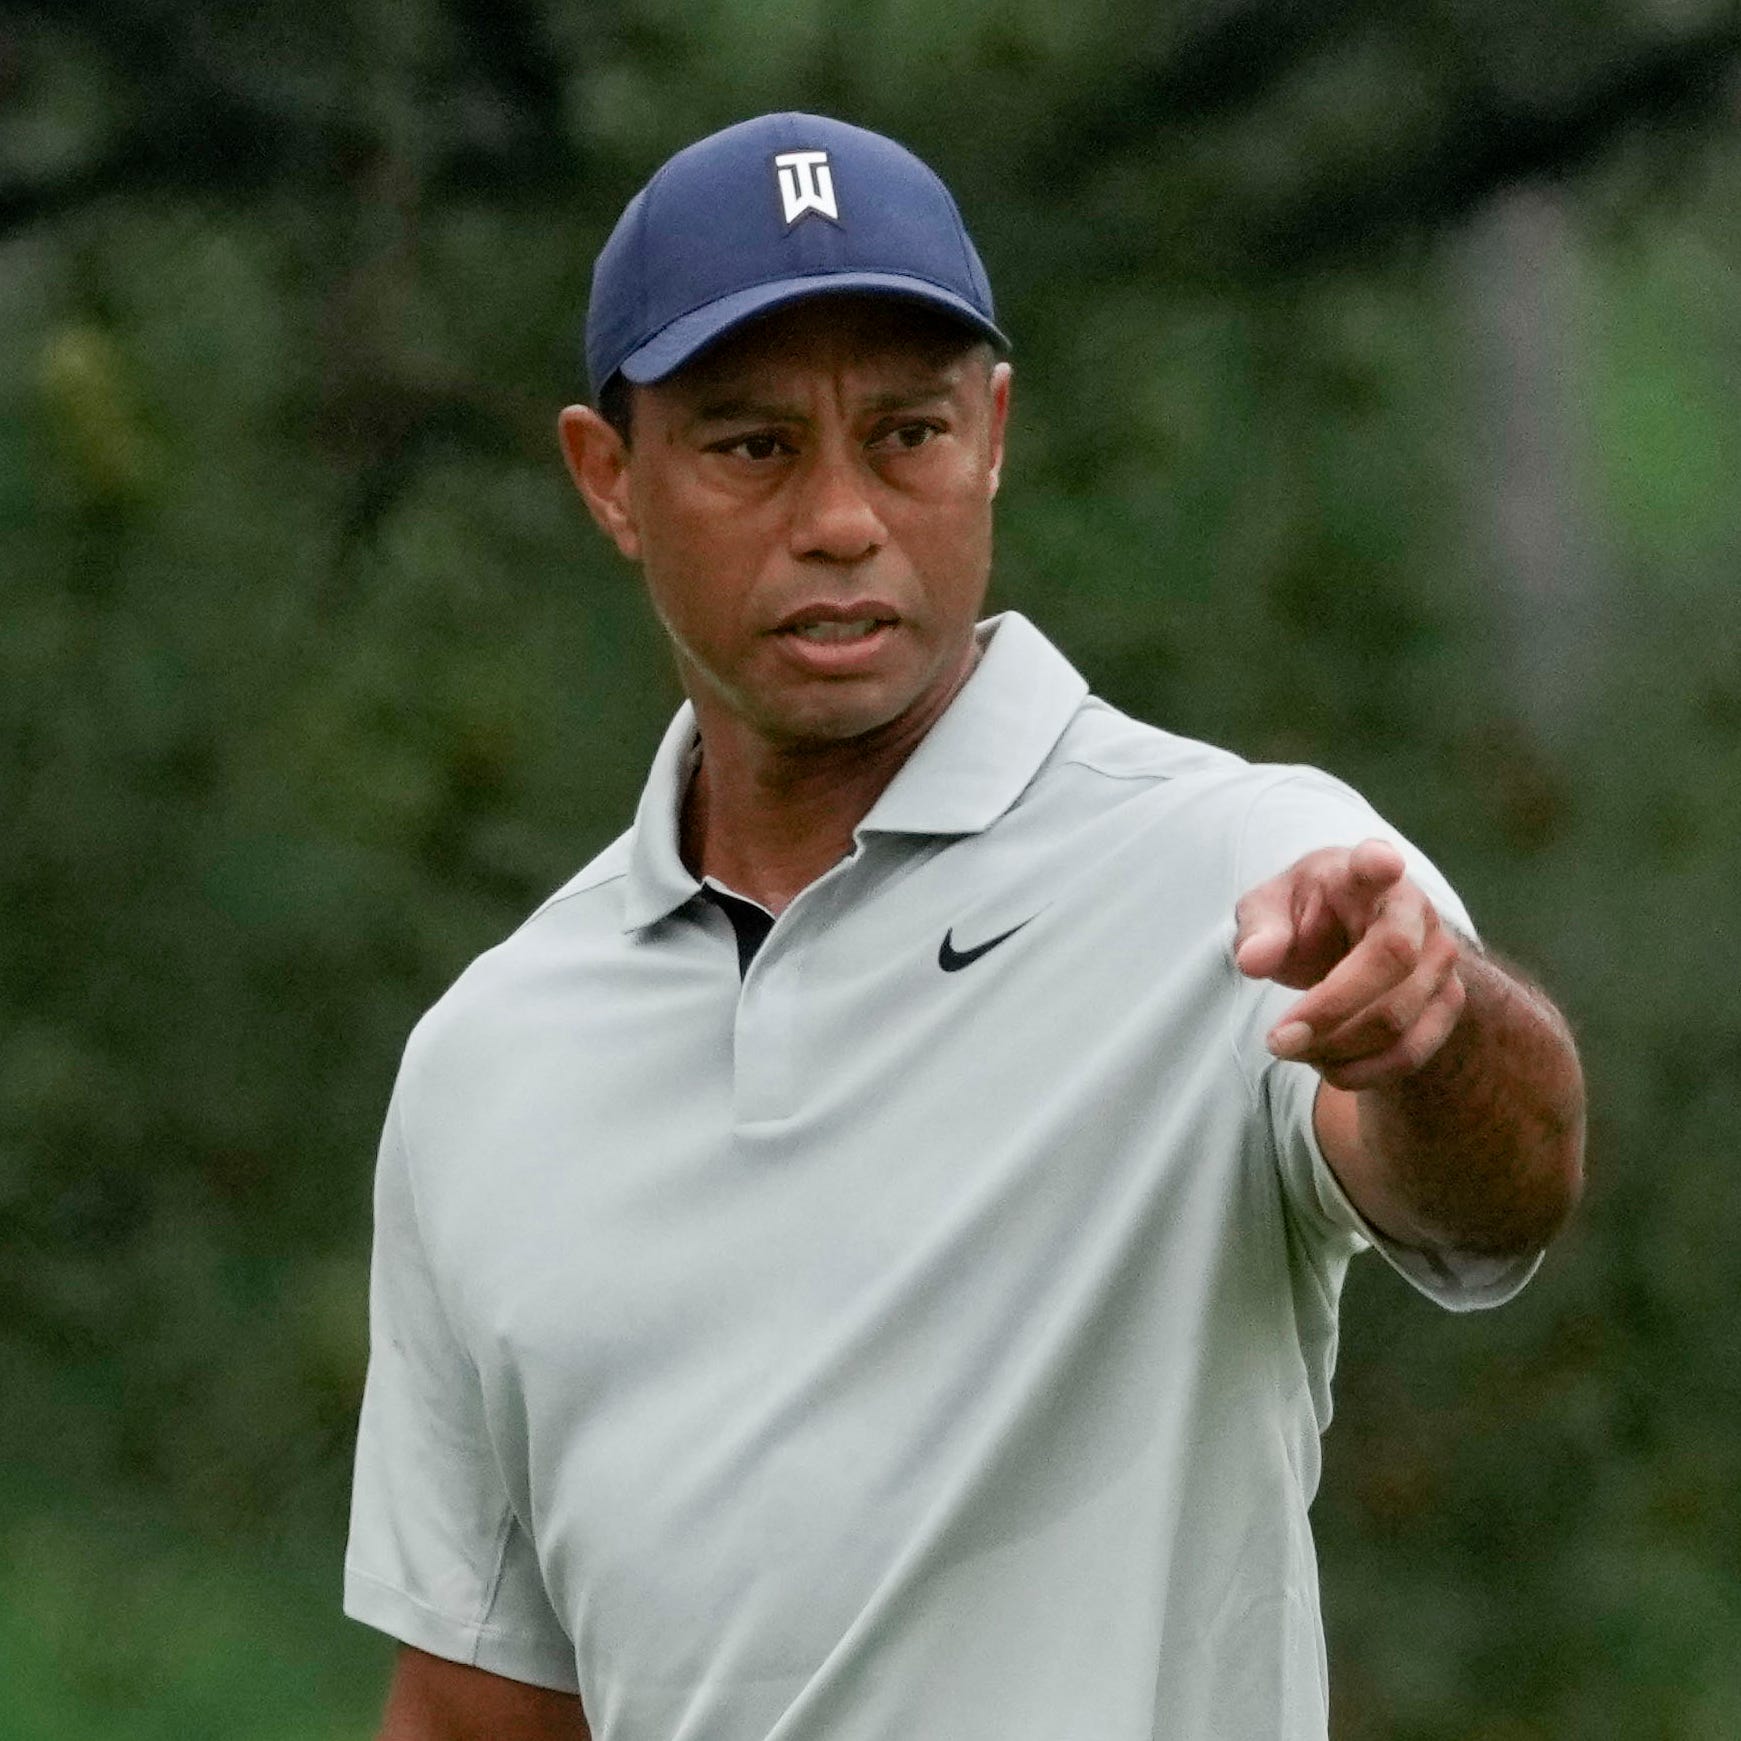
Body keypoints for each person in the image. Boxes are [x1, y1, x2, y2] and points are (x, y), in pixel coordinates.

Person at [343, 113, 1585, 1741]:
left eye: (906, 434)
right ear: (608, 477)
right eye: (752, 448)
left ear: (991, 433)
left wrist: (1434, 1032)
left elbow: (1500, 1196)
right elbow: (477, 1703)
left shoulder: (1244, 867)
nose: (840, 517)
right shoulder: (489, 1061)